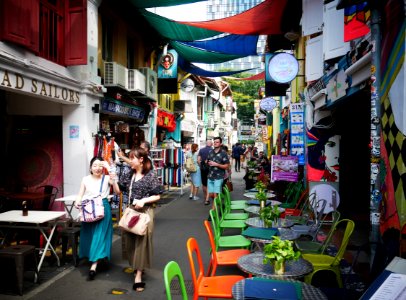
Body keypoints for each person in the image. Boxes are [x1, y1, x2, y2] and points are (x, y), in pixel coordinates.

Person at [118, 148, 163, 292]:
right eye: (130, 158)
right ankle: (138, 266)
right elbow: (119, 190)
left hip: (145, 212)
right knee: (130, 241)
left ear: (141, 159)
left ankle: (138, 276)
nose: (130, 160)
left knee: (142, 244)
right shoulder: (129, 173)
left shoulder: (150, 175)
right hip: (132, 211)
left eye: (133, 158)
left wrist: (144, 200)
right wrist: (112, 179)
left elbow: (157, 195)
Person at [74, 156, 120, 281]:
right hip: (88, 210)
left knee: (99, 236)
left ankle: (93, 266)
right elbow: (80, 195)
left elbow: (117, 191)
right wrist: (77, 202)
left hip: (102, 209)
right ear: (90, 168)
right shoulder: (85, 179)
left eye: (100, 165)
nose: (97, 168)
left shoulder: (106, 178)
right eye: (95, 165)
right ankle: (93, 256)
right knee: (89, 235)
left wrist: (110, 171)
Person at [205, 137, 230, 205]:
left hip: (219, 176)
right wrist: (207, 162)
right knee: (211, 195)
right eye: (214, 142)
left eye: (217, 142)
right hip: (210, 176)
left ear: (220, 143)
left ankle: (214, 212)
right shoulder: (210, 152)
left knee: (216, 194)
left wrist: (217, 164)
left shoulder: (223, 153)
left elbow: (227, 166)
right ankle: (220, 205)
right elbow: (207, 161)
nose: (215, 143)